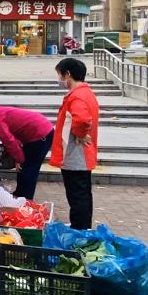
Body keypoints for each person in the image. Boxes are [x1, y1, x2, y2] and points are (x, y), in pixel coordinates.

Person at [50, 58, 99, 230]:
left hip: (75, 154)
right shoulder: (85, 93)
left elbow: (83, 119)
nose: (60, 80)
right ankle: (81, 226)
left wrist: (80, 133)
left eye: (60, 75)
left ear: (68, 74)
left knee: (77, 195)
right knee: (82, 194)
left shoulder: (77, 96)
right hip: (80, 155)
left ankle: (80, 229)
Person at [0, 100, 54, 200]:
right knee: (25, 167)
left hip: (40, 134)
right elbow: (12, 135)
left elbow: (8, 138)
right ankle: (20, 195)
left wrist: (18, 158)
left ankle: (25, 199)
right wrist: (17, 157)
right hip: (37, 131)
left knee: (29, 167)